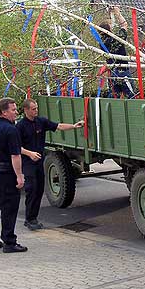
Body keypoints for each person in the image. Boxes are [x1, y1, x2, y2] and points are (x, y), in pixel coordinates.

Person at [16, 98, 84, 230]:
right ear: (26, 110)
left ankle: (33, 217)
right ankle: (29, 219)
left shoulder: (41, 121)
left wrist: (74, 126)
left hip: (39, 160)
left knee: (40, 189)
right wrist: (30, 153)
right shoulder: (20, 126)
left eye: (36, 108)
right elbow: (16, 147)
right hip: (28, 162)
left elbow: (58, 126)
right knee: (32, 189)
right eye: (33, 109)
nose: (36, 111)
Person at [0, 97, 27, 253]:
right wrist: (20, 176)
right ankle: (9, 242)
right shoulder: (11, 130)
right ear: (3, 112)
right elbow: (15, 156)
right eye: (13, 110)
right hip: (5, 171)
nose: (16, 112)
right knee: (9, 206)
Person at [101, 6, 133, 98]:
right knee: (131, 96)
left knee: (115, 96)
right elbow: (124, 25)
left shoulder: (102, 42)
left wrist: (111, 13)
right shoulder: (117, 40)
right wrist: (118, 12)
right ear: (109, 30)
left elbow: (110, 27)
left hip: (112, 73)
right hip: (122, 71)